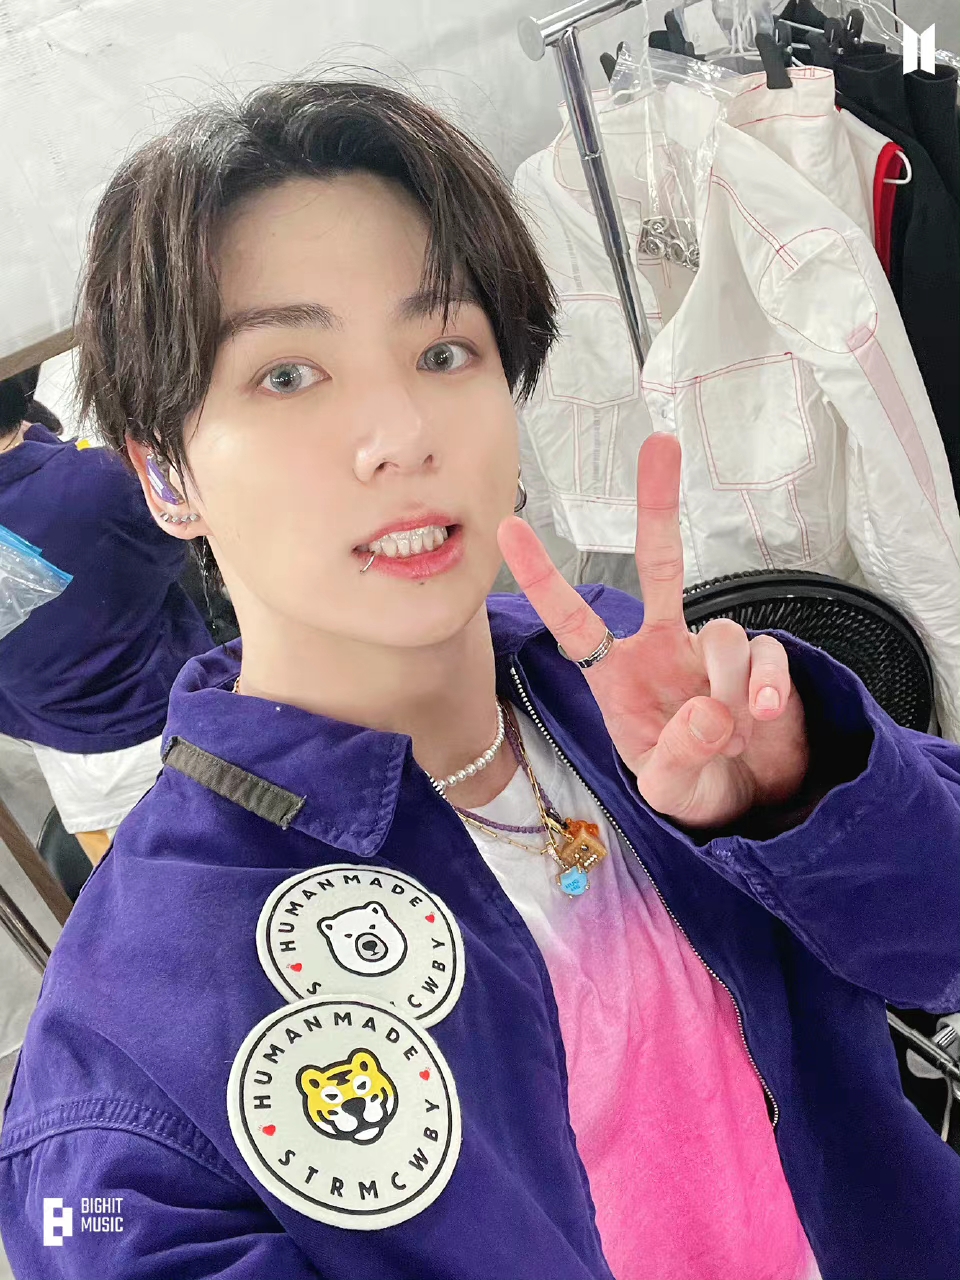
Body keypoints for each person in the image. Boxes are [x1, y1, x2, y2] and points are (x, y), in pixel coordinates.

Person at [0, 79, 957, 1280]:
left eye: (444, 349)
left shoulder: (622, 679)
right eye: (287, 373)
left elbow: (940, 937)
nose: (403, 430)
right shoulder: (133, 1034)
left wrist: (799, 798)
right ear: (164, 474)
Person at [0, 363, 213, 865]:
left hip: (91, 789)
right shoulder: (96, 480)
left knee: (153, 904)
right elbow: (181, 542)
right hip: (196, 719)